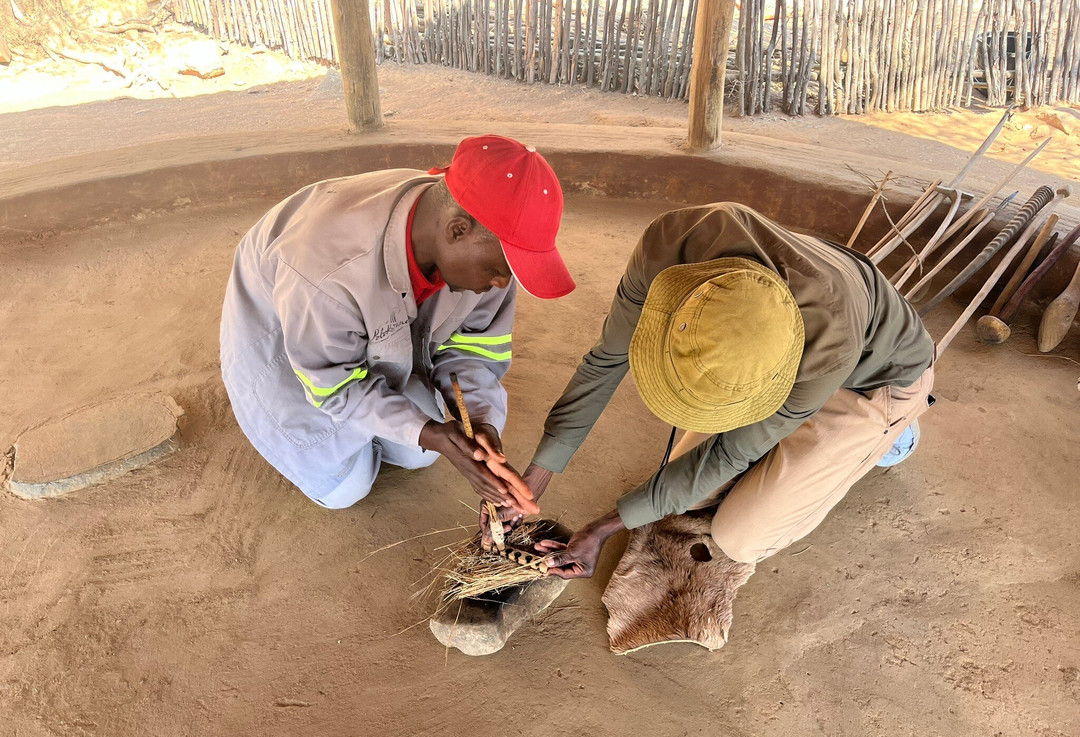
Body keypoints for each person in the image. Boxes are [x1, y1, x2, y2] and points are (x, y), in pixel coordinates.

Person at [483, 202, 935, 577]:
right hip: (790, 355)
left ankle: (894, 438)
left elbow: (729, 453)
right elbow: (606, 361)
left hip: (870, 381)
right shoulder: (671, 244)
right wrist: (533, 480)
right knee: (688, 494)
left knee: (740, 537)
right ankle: (807, 440)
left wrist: (602, 528)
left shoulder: (829, 343)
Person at [220, 135, 574, 510]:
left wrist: (480, 420)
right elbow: (332, 384)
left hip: (364, 337)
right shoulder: (326, 271)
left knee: (418, 454)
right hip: (288, 345)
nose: (502, 284)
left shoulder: (478, 243)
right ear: (457, 231)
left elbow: (475, 348)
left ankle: (383, 421)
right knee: (346, 488)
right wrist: (426, 431)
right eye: (499, 270)